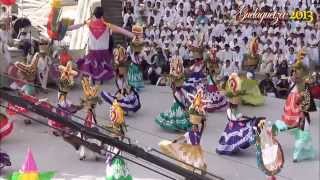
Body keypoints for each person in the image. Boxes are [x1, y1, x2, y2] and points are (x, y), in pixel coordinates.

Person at [75, 7, 134, 85]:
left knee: (91, 67)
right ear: (103, 15)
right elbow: (122, 31)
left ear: (94, 14)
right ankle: (96, 82)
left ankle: (91, 82)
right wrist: (134, 36)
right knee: (101, 68)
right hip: (103, 53)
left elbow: (75, 26)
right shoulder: (107, 25)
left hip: (93, 52)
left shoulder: (90, 23)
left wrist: (65, 29)